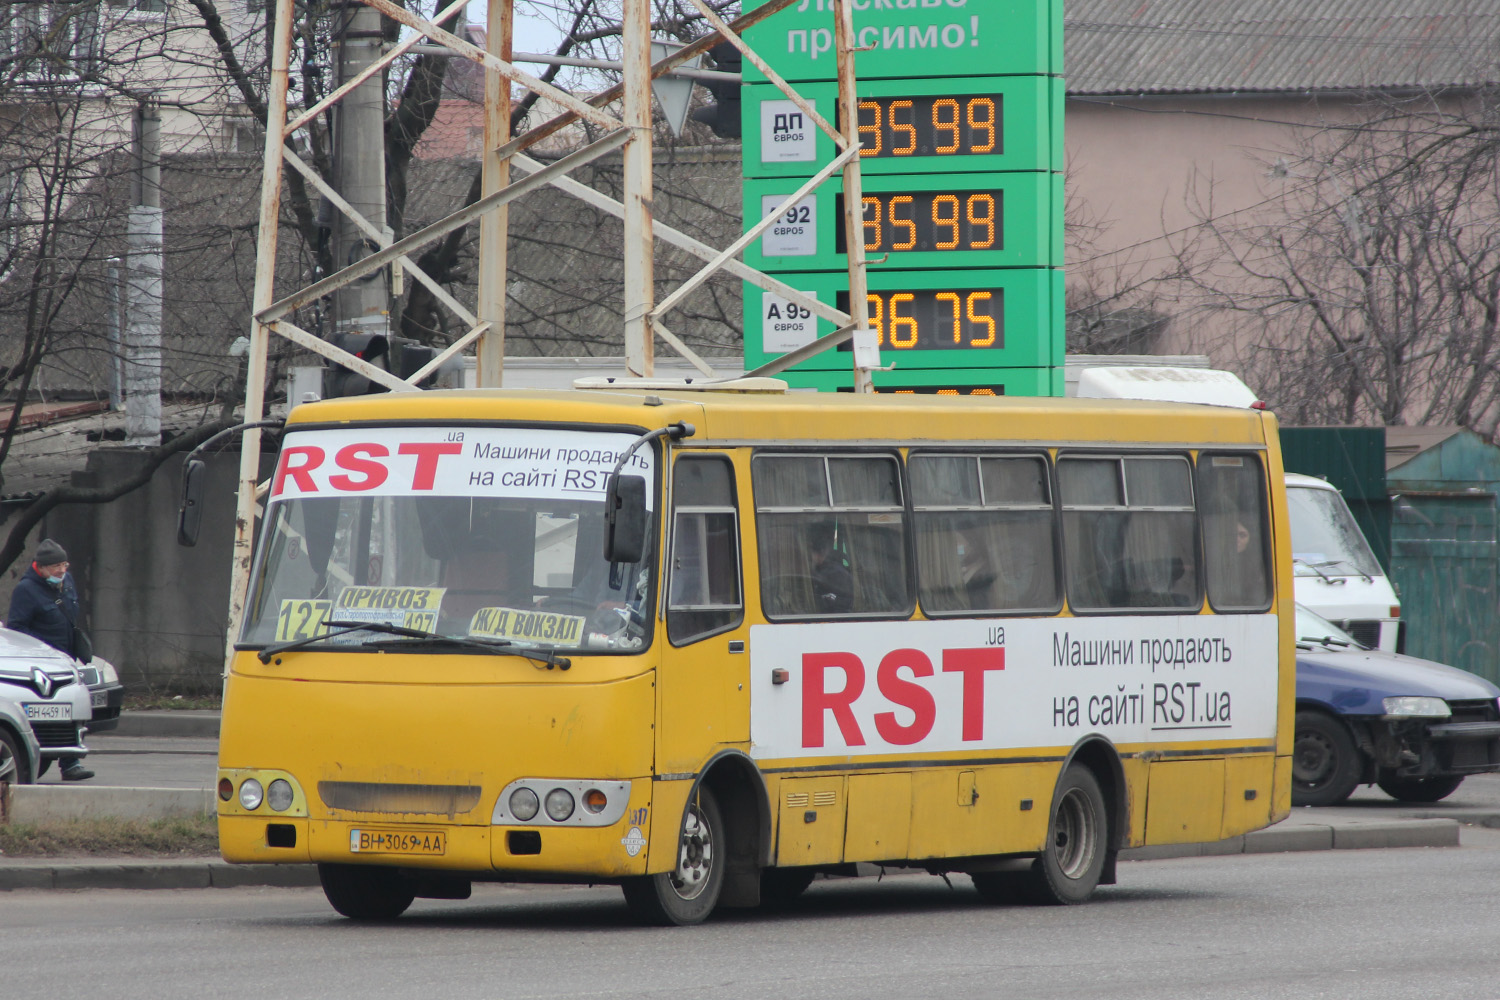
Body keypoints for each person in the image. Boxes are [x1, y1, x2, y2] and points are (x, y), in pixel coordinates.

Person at [7, 539, 93, 781]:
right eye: (56, 566)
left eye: (64, 564)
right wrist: (42, 646)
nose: (62, 571)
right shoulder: (26, 590)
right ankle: (37, 759)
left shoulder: (67, 583)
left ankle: (71, 763)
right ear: (40, 567)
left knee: (67, 713)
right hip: (39, 663)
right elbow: (17, 629)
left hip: (64, 660)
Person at [808, 520, 854, 614]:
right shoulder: (817, 571)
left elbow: (843, 604)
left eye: (811, 554)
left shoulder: (835, 574)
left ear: (821, 553)